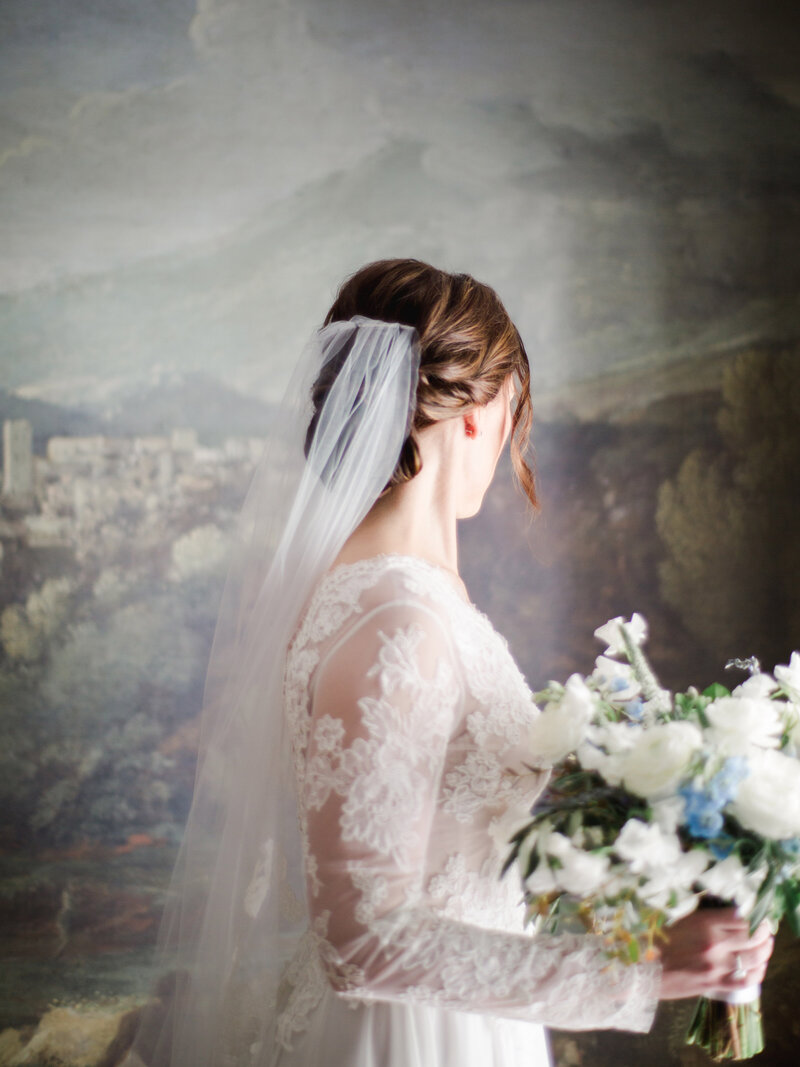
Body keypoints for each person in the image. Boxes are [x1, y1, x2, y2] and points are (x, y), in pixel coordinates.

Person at [124, 259, 774, 1067]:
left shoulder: (401, 598)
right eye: (514, 412)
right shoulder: (396, 618)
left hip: (454, 1018)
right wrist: (636, 977)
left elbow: (458, 837)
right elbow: (360, 941)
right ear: (479, 411)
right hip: (411, 1038)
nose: (509, 443)